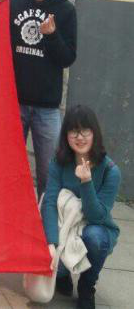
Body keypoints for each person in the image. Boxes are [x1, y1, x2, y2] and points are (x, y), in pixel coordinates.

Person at [11, 0, 77, 199]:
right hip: (13, 104)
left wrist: (51, 36)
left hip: (47, 108)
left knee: (49, 174)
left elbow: (67, 58)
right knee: (8, 169)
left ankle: (47, 220)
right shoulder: (13, 4)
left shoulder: (65, 10)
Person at [41, 105, 120, 309]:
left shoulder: (110, 171)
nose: (80, 137)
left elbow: (97, 216)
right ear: (66, 135)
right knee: (52, 260)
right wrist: (51, 243)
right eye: (73, 131)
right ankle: (63, 275)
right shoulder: (58, 162)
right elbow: (50, 202)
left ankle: (87, 287)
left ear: (95, 133)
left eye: (85, 130)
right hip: (63, 225)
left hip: (93, 226)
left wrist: (86, 182)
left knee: (95, 238)